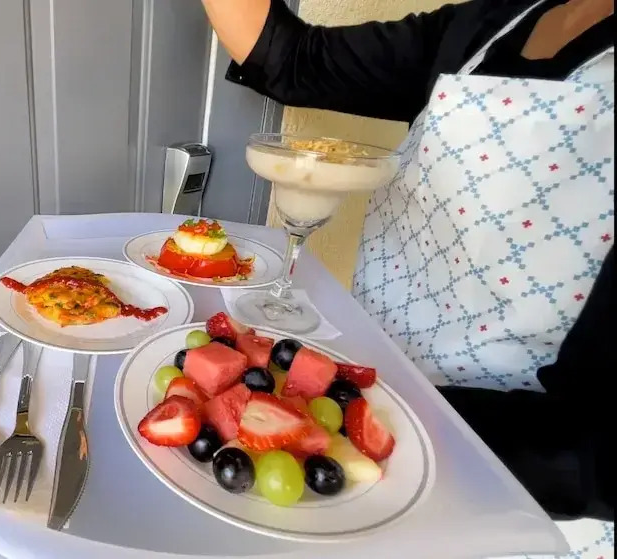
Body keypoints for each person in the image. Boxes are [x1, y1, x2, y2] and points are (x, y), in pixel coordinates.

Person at [199, 0, 614, 555]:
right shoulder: (493, 21)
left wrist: (374, 424)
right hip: (374, 410)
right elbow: (292, 59)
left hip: (516, 502)